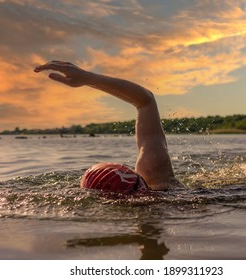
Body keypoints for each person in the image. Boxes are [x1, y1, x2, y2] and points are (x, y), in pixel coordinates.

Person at [34, 61, 184, 193]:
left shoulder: (157, 180)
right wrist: (88, 78)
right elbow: (146, 101)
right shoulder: (157, 178)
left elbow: (146, 102)